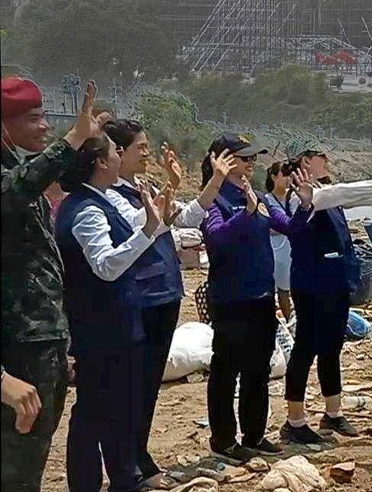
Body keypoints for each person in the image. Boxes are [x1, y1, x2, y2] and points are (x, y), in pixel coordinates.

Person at [104, 119, 227, 487]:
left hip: (165, 295)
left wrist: (211, 182)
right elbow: (148, 225)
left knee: (149, 384)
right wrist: (168, 192)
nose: (147, 152)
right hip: (139, 298)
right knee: (133, 385)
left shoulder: (146, 187)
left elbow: (182, 218)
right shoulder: (108, 196)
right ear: (117, 152)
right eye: (140, 147)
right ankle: (127, 466)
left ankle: (140, 455)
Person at [1, 78, 106, 492]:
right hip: (15, 347)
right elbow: (21, 186)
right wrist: (74, 139)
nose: (44, 125)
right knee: (14, 462)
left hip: (40, 342)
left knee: (32, 456)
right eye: (33, 118)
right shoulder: (14, 181)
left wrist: (59, 344)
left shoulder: (18, 172)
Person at [54, 131, 172, 492]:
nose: (120, 155)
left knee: (118, 409)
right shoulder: (86, 209)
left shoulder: (100, 198)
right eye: (114, 151)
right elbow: (105, 265)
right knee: (95, 413)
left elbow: (142, 226)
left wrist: (156, 218)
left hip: (116, 321)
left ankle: (124, 478)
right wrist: (147, 231)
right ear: (101, 163)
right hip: (100, 326)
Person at [281, 149, 372, 442]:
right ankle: (295, 419)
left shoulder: (324, 193)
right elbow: (346, 192)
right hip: (311, 283)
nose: (327, 164)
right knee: (306, 347)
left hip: (335, 280)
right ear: (306, 163)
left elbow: (359, 198)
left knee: (332, 347)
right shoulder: (302, 196)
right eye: (322, 160)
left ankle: (332, 413)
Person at [201, 133, 310, 462]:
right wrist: (246, 214)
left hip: (261, 298)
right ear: (223, 160)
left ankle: (254, 434)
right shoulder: (214, 198)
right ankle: (223, 439)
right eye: (244, 157)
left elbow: (290, 227)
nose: (251, 162)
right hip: (232, 299)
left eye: (253, 158)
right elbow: (217, 240)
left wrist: (304, 204)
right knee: (226, 371)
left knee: (257, 370)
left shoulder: (259, 195)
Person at [262, 160, 297, 319]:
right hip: (273, 249)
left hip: (291, 249)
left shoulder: (295, 198)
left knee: (288, 289)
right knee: (272, 288)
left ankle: (290, 320)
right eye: (284, 175)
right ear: (274, 177)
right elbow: (263, 225)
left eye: (290, 175)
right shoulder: (266, 200)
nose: (288, 179)